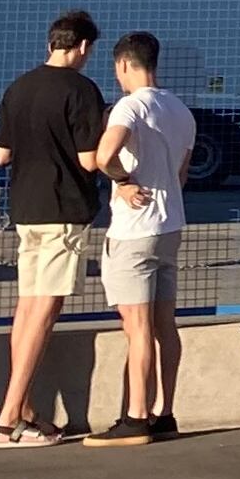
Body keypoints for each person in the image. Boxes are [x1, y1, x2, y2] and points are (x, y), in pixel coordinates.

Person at [0, 10, 107, 447]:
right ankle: (6, 418)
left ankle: (26, 411)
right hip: (64, 209)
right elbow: (90, 160)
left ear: (49, 42)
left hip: (25, 208)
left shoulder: (19, 87)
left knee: (27, 308)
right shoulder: (82, 90)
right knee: (43, 311)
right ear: (82, 48)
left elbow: (1, 153)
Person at [81, 30, 195, 444]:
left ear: (124, 64)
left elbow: (103, 157)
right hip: (170, 226)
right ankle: (165, 412)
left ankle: (135, 417)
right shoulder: (180, 110)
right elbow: (180, 175)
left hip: (134, 231)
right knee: (166, 325)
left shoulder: (129, 107)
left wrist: (123, 181)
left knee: (138, 327)